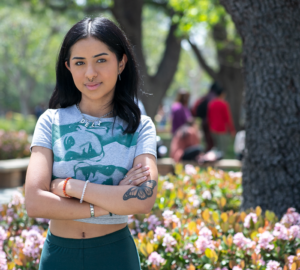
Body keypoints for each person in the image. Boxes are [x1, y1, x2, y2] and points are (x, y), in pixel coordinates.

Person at [25, 17, 158, 270]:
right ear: (68, 67)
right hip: (59, 257)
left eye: (101, 60)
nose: (90, 73)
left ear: (121, 62)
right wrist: (111, 204)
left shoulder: (140, 126)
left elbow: (142, 200)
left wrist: (69, 186)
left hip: (115, 256)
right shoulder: (51, 121)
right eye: (79, 63)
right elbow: (35, 202)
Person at [207, 84, 236, 156]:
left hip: (213, 129)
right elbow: (228, 118)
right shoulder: (224, 104)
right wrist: (232, 130)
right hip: (222, 129)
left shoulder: (211, 104)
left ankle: (215, 161)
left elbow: (209, 117)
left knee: (217, 148)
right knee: (223, 149)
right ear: (222, 94)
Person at [191, 82, 219, 151]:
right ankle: (210, 154)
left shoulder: (206, 95)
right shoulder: (213, 96)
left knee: (207, 139)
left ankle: (208, 152)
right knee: (211, 140)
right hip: (209, 121)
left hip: (204, 120)